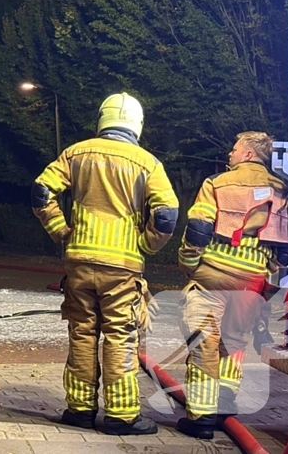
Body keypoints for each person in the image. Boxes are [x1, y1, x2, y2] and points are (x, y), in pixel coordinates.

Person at [32, 92, 179, 435]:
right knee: (120, 337)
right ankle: (122, 416)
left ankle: (80, 409)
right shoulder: (148, 163)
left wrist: (61, 231)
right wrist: (147, 244)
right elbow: (168, 215)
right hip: (123, 267)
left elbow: (41, 192)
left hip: (79, 261)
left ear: (103, 118)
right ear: (137, 124)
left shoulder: (76, 153)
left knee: (82, 333)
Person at [176, 131, 288, 439]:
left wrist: (189, 266)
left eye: (234, 149)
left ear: (249, 154)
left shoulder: (217, 183)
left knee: (204, 340)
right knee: (235, 339)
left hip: (214, 274)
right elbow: (284, 248)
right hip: (252, 280)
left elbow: (199, 229)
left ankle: (200, 417)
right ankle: (224, 403)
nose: (230, 154)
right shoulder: (283, 189)